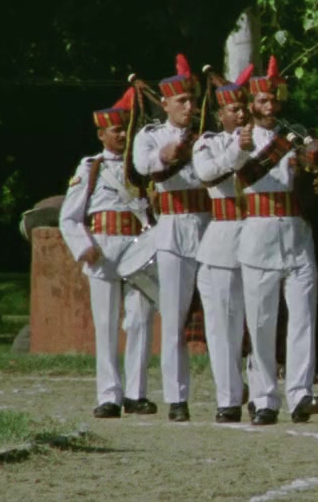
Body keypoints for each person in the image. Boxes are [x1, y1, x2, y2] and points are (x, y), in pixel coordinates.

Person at [227, 55, 318, 425]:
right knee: (262, 322)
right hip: (260, 233)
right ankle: (265, 398)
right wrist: (247, 147)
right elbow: (243, 173)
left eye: (274, 99)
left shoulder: (297, 135)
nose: (270, 106)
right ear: (252, 104)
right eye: (263, 101)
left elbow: (317, 179)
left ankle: (300, 394)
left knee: (303, 320)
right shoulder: (242, 139)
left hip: (297, 234)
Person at [59, 87, 157, 419]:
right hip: (103, 250)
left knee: (141, 320)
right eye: (116, 130)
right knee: (106, 324)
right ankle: (109, 395)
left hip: (139, 249)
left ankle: (136, 393)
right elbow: (69, 216)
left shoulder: (142, 167)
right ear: (101, 134)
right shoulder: (91, 168)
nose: (122, 136)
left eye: (126, 129)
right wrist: (83, 246)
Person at [132, 54, 211, 422]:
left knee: (225, 314)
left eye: (192, 99)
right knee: (175, 317)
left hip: (210, 227)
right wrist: (167, 154)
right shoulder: (150, 136)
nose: (189, 106)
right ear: (165, 104)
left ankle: (234, 393)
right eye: (181, 100)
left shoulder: (208, 134)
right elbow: (142, 165)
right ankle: (177, 398)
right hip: (173, 229)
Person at [191, 64, 260, 423]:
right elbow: (206, 173)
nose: (242, 113)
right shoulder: (209, 142)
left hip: (260, 235)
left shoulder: (267, 142)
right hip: (222, 238)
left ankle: (261, 395)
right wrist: (238, 148)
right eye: (234, 109)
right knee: (222, 326)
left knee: (261, 323)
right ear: (221, 115)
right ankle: (229, 398)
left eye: (245, 107)